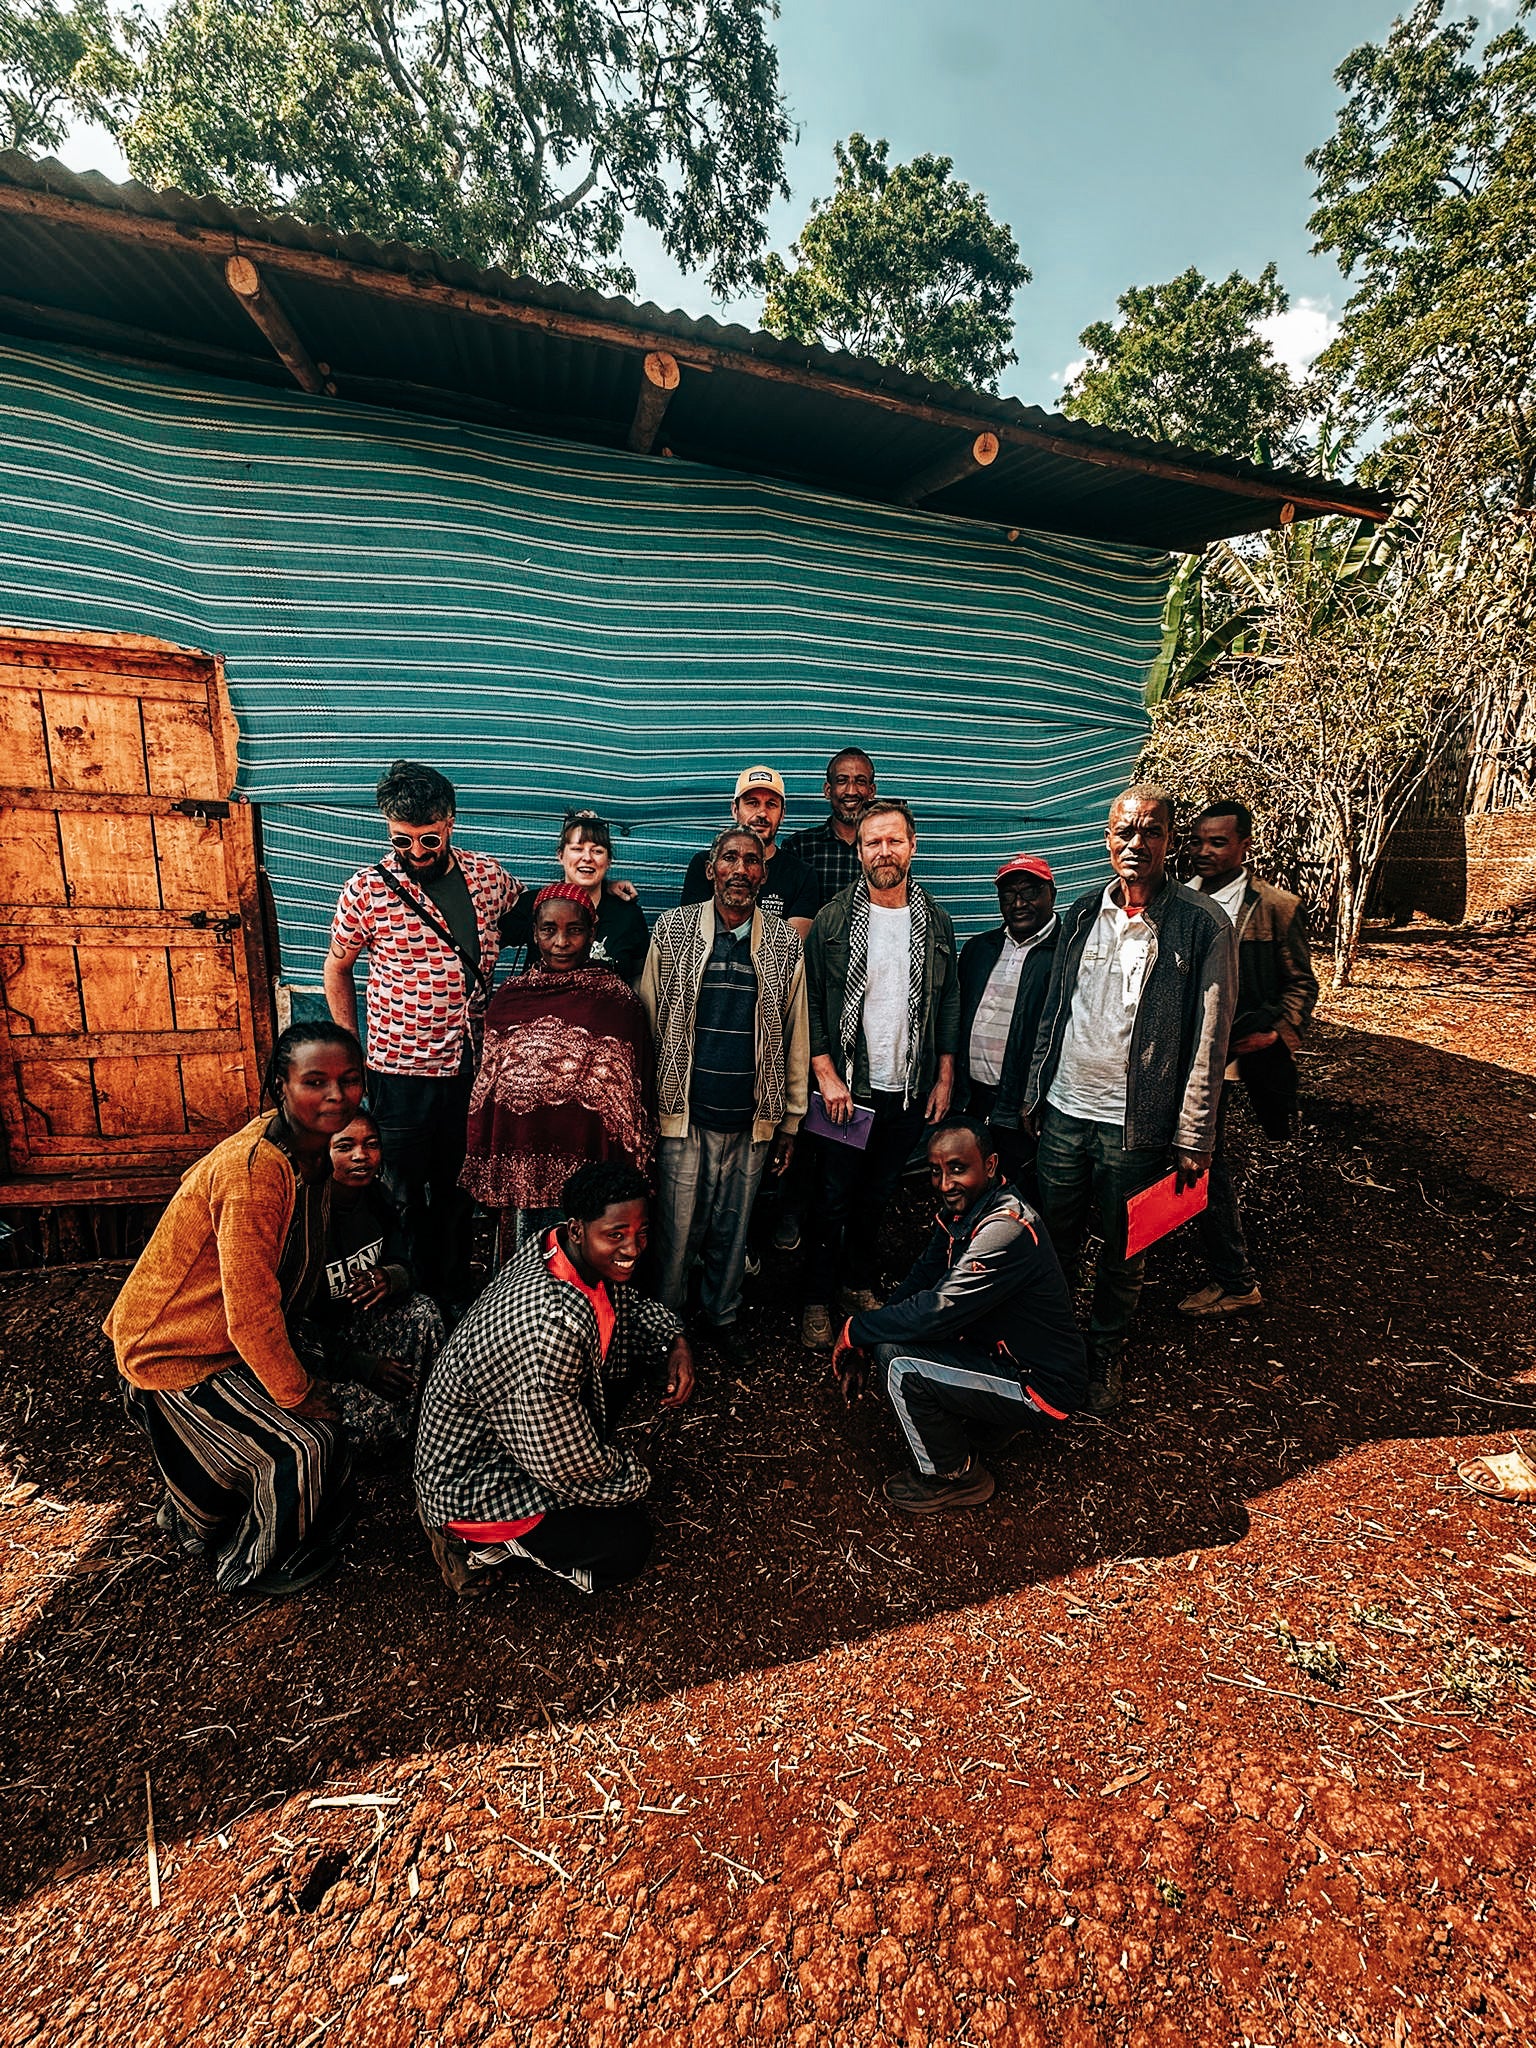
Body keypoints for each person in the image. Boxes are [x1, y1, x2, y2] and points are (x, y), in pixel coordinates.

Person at [105, 1022, 365, 1597]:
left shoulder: (309, 1153)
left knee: (333, 1416)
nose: (336, 1096)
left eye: (350, 1080)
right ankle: (255, 1560)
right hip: (175, 1351)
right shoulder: (253, 1172)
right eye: (315, 1082)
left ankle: (234, 1502)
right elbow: (250, 1311)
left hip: (228, 1337)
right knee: (304, 1446)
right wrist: (296, 1393)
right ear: (280, 1086)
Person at [1025, 785, 1237, 1415]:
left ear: (1170, 842)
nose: (1135, 843)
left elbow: (1211, 1037)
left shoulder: (1202, 923)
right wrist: (1037, 1091)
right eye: (1124, 831)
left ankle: (1105, 1353)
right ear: (1107, 838)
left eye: (1150, 832)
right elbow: (1055, 1012)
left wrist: (1194, 1132)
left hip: (1135, 1124)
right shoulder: (1081, 914)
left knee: (1125, 1250)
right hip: (1066, 1109)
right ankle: (1054, 1346)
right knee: (1055, 1240)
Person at [414, 1161, 695, 1599]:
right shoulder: (550, 1328)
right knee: (627, 1545)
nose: (633, 1248)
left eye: (641, 1232)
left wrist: (672, 1340)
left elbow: (627, 1306)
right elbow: (562, 1465)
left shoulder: (558, 1247)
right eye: (616, 1234)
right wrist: (632, 1476)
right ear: (579, 1229)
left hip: (523, 1429)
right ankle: (476, 1545)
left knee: (634, 1360)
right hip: (472, 1483)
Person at [325, 759, 524, 1303]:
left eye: (429, 839)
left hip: (470, 1067)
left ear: (450, 822)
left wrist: (602, 890)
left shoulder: (489, 878)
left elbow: (541, 913)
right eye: (402, 840)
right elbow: (337, 969)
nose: (416, 852)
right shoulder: (366, 889)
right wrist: (350, 1049)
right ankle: (408, 1294)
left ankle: (455, 1293)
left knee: (461, 1188)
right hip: (398, 1071)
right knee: (404, 1193)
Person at [831, 1116, 1088, 1512]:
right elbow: (921, 1279)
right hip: (1006, 1357)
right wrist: (867, 1338)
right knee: (893, 1340)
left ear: (990, 1165)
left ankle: (954, 1476)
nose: (945, 1184)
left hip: (1041, 1386)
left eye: (957, 1168)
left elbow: (938, 1311)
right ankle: (991, 1422)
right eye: (936, 1171)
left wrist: (857, 1330)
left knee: (899, 1364)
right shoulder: (965, 1213)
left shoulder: (1005, 1230)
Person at [638, 828, 808, 1365]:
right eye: (729, 858)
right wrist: (645, 1107)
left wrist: (790, 1121)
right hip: (683, 1113)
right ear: (711, 870)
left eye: (751, 861)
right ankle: (667, 1328)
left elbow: (796, 1034)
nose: (740, 869)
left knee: (734, 1228)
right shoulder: (673, 931)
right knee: (675, 1229)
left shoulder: (784, 943)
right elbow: (647, 1019)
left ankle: (722, 1314)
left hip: (751, 1116)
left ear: (763, 874)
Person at [800, 799, 960, 1350]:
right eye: (873, 842)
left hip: (909, 1090)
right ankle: (816, 1297)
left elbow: (949, 1000)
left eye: (894, 840)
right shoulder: (833, 920)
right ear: (860, 852)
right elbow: (811, 1000)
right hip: (848, 1089)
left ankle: (856, 1283)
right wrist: (825, 1073)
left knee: (878, 1194)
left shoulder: (936, 921)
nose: (884, 851)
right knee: (832, 1196)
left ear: (912, 846)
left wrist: (944, 1076)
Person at [460, 883, 654, 1255]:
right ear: (534, 934)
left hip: (590, 1165)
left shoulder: (617, 1003)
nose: (561, 942)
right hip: (520, 1166)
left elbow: (630, 1097)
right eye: (549, 930)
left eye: (574, 930)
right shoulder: (510, 998)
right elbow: (488, 1088)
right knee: (526, 1262)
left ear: (592, 934)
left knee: (586, 1260)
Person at [1182, 799, 1319, 1316]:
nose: (1205, 851)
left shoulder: (1275, 907)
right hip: (1180, 1054)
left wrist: (1276, 1034)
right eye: (1198, 841)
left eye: (1218, 842)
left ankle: (1235, 1280)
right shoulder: (1178, 899)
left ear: (1244, 845)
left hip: (1228, 1058)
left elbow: (1301, 983)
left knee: (1207, 1158)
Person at [297, 1108, 446, 1457]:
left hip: (363, 1326)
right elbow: (292, 1326)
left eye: (371, 1144)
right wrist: (364, 1366)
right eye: (345, 1146)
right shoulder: (302, 1218)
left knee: (423, 1311)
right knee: (364, 1433)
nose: (361, 1156)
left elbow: (406, 1265)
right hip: (319, 1349)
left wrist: (389, 1277)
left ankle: (435, 1412)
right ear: (320, 1153)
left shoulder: (377, 1197)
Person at [955, 854, 1061, 1190]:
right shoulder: (979, 949)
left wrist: (1037, 1099)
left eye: (1029, 892)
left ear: (1052, 894)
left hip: (1025, 1107)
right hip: (973, 1099)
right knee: (972, 1187)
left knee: (1021, 1190)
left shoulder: (1067, 952)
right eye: (1008, 895)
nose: (1018, 903)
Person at [500, 809, 650, 983]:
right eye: (577, 849)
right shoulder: (533, 903)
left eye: (597, 851)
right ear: (560, 856)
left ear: (609, 861)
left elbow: (640, 976)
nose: (587, 858)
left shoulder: (627, 914)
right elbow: (487, 939)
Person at [680, 765, 820, 937]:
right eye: (752, 803)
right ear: (735, 809)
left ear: (782, 814)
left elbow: (792, 945)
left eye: (771, 804)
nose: (762, 813)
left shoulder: (802, 875)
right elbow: (694, 935)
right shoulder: (705, 864)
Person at [781, 747, 879, 912]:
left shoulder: (885, 850)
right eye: (842, 781)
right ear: (828, 790)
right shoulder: (799, 847)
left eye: (860, 781)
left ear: (871, 791)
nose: (851, 791)